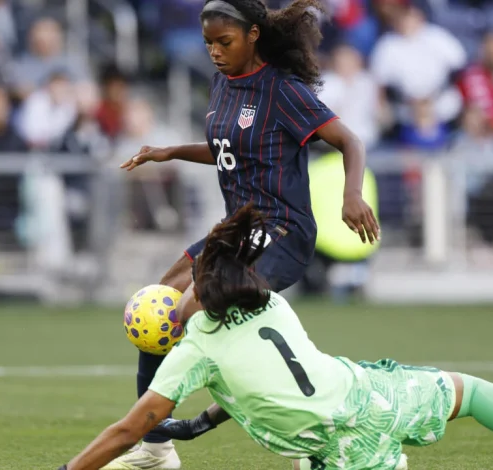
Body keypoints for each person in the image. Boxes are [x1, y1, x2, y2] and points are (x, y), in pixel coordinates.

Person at [58, 206, 493, 470]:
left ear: (203, 295)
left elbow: (130, 428)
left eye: (189, 286)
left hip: (336, 447)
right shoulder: (273, 303)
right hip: (370, 394)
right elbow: (262, 382)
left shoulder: (195, 350)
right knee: (473, 391)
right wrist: (204, 424)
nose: (180, 291)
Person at [114, 1, 380, 468]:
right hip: (235, 232)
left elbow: (349, 141)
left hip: (282, 230)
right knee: (155, 308)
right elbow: (229, 149)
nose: (215, 53)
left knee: (197, 305)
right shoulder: (223, 82)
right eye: (208, 44)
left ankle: (308, 429)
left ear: (254, 35)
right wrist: (170, 151)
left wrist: (351, 194)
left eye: (224, 42)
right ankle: (155, 449)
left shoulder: (282, 90)